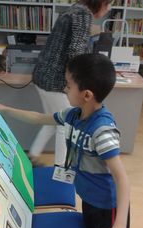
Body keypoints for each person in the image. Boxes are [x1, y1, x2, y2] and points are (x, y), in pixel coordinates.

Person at [0, 53, 133, 228]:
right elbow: (39, 118)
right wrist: (5, 109)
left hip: (108, 212)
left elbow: (122, 179)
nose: (64, 89)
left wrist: (120, 226)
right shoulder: (74, 115)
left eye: (68, 85)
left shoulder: (101, 131)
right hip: (89, 200)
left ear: (86, 94)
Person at [29, 0, 112, 166]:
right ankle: (61, 169)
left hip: (42, 75)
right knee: (66, 125)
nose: (109, 8)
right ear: (100, 3)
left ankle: (32, 155)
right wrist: (80, 81)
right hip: (55, 80)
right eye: (108, 4)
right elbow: (75, 52)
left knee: (52, 121)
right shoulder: (83, 15)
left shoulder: (74, 9)